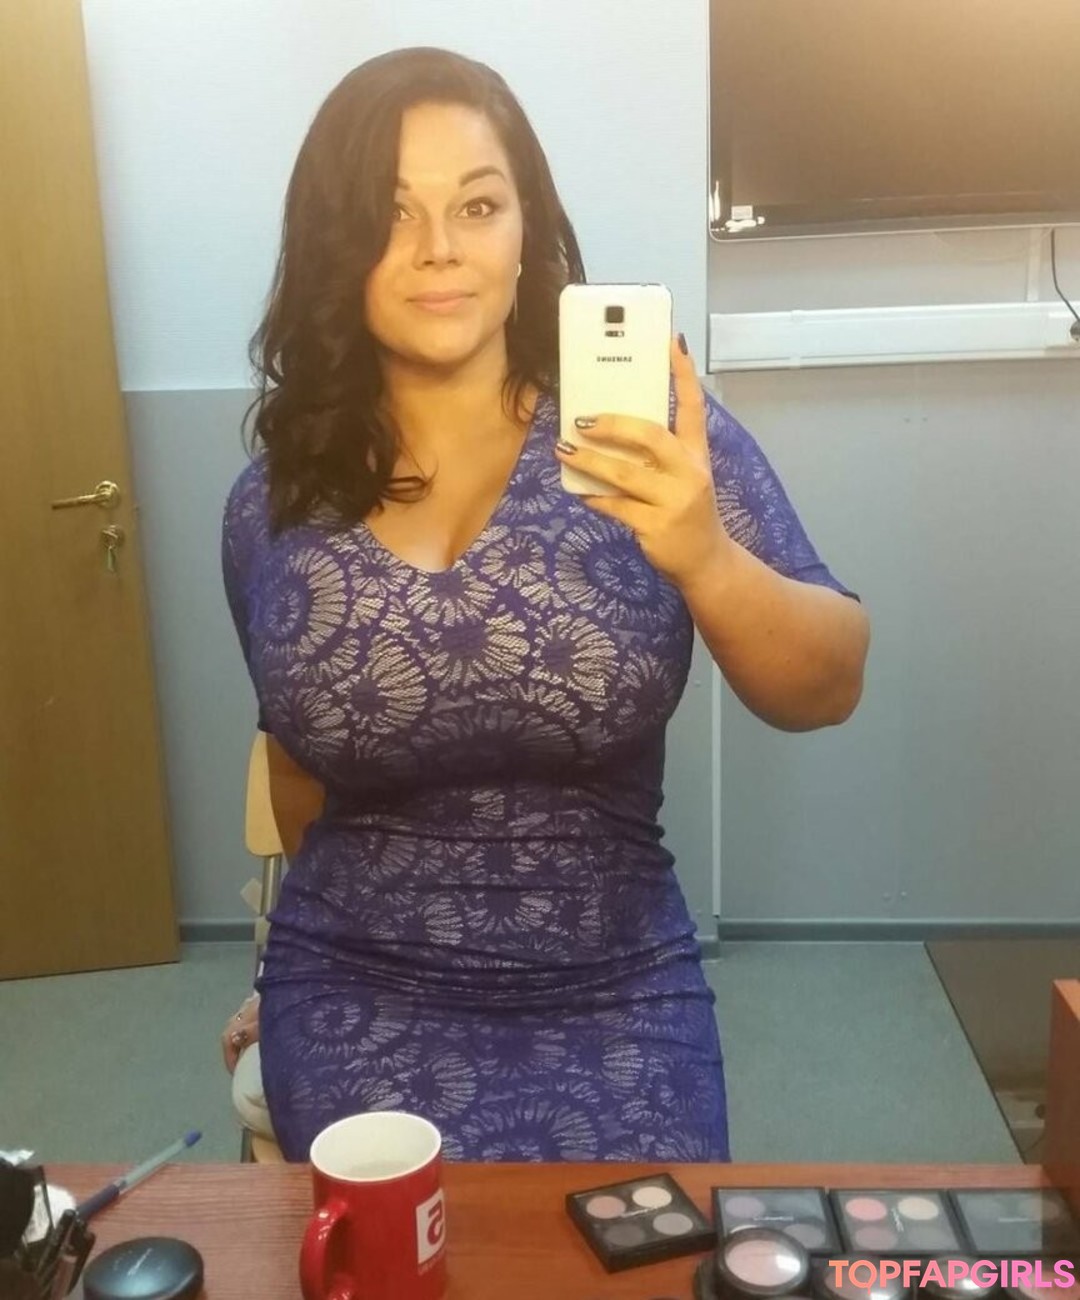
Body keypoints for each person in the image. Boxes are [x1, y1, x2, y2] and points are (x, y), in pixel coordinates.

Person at [220, 46, 869, 1162]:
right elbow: (292, 773)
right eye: (391, 213)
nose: (438, 247)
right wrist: (270, 969)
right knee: (402, 1242)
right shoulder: (274, 501)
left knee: (646, 1243)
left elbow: (831, 683)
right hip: (357, 986)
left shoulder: (652, 438)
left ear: (528, 231)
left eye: (477, 205)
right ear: (335, 243)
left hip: (616, 983)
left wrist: (706, 556)